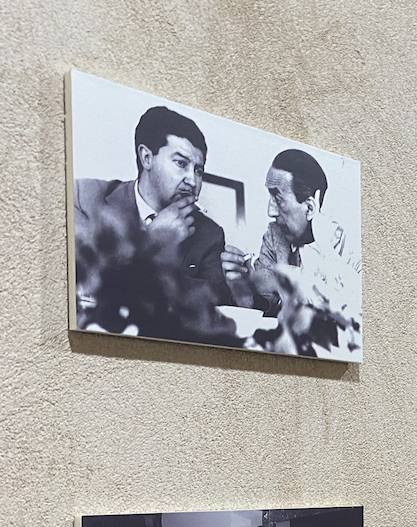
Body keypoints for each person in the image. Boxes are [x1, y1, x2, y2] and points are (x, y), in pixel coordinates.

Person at [72, 106, 233, 338]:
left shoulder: (209, 233)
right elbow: (81, 283)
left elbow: (213, 302)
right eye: (181, 163)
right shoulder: (84, 196)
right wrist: (151, 242)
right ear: (146, 157)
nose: (192, 180)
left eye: (199, 170)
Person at [221, 149, 361, 358]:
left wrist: (325, 254)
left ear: (310, 206)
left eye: (278, 198)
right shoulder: (274, 235)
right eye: (270, 196)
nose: (271, 211)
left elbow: (350, 328)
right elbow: (265, 308)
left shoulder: (346, 247)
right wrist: (243, 290)